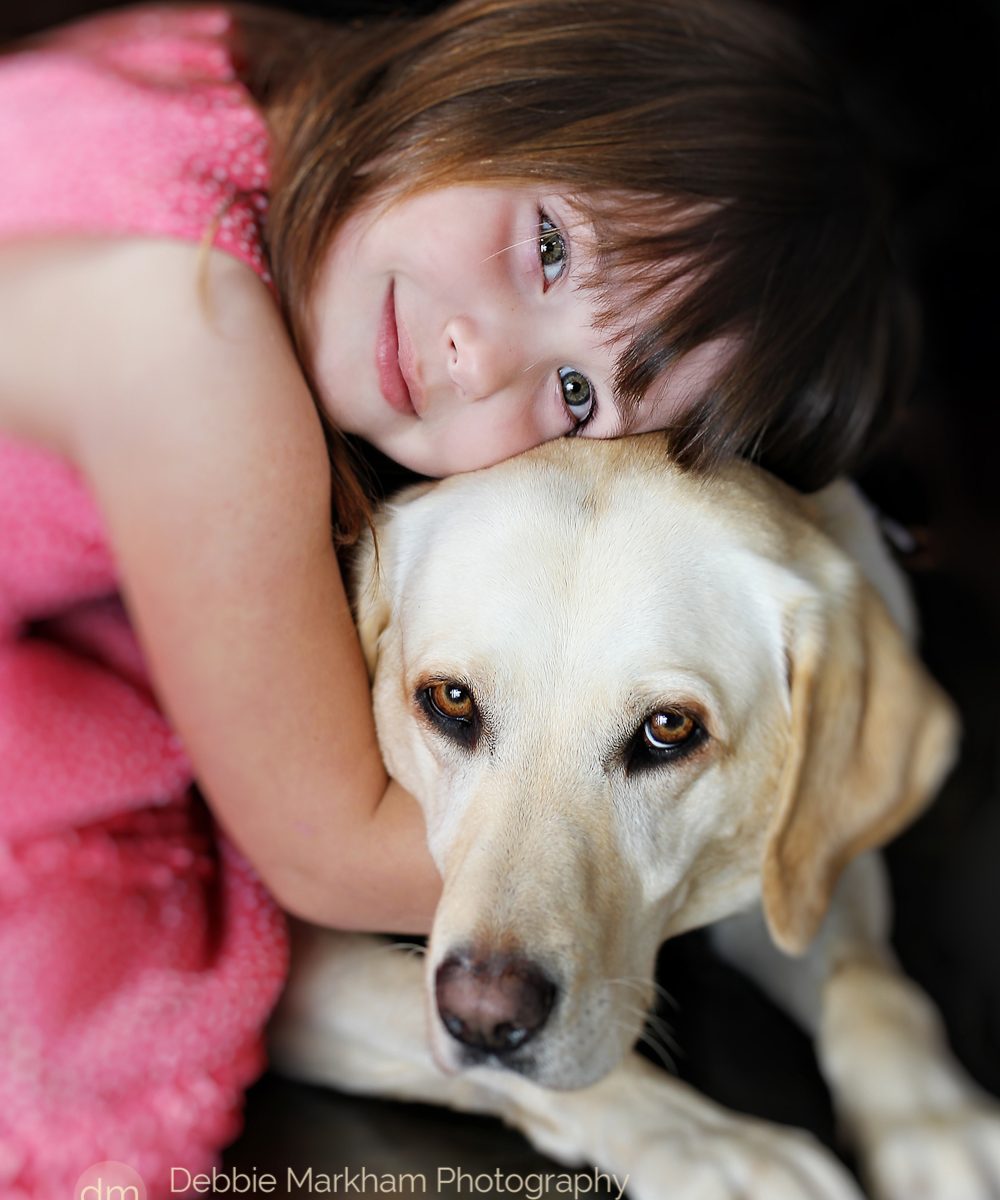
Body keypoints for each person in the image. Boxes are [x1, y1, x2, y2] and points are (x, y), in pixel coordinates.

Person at [0, 0, 908, 1190]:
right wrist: (782, 799)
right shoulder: (194, 352)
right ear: (500, 59)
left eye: (577, 398)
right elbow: (322, 858)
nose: (478, 357)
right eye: (549, 248)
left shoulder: (262, 85)